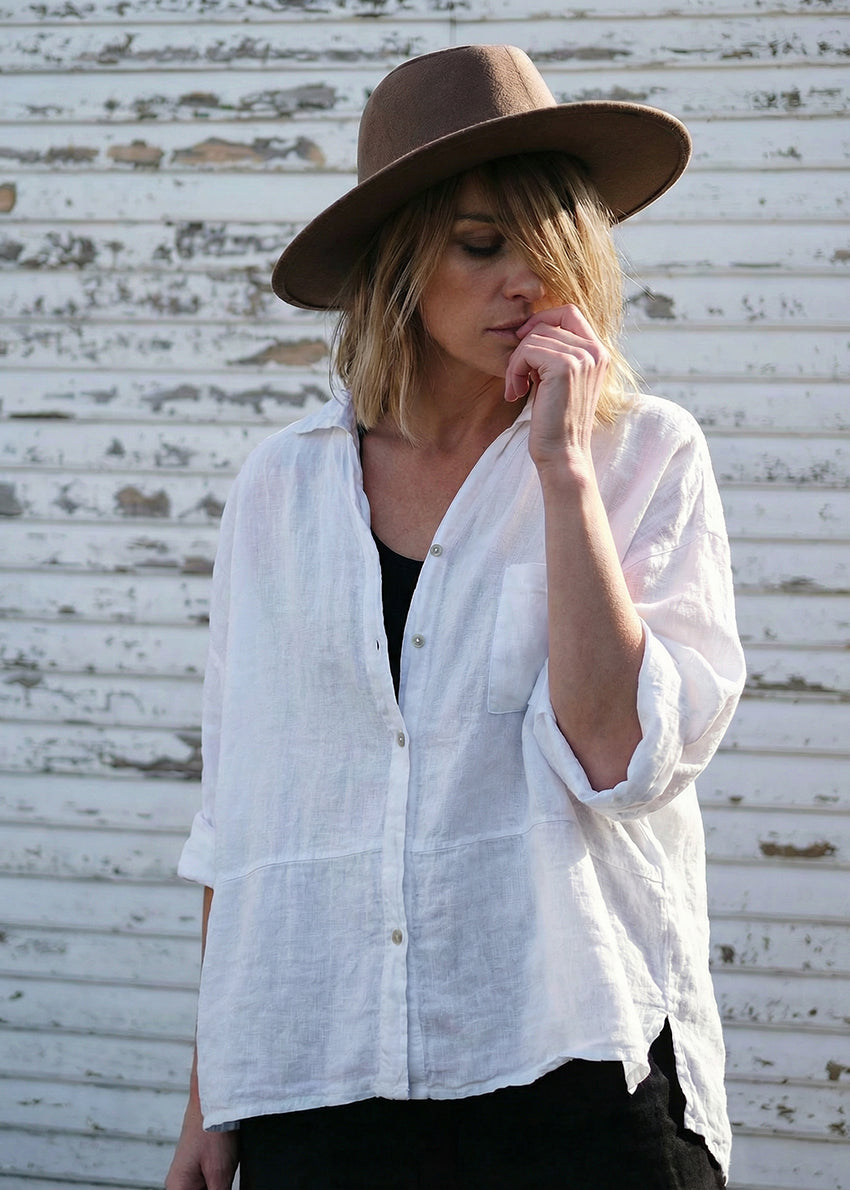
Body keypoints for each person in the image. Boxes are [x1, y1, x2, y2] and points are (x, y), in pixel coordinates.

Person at [166, 44, 745, 1190]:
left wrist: (563, 473)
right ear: (399, 259)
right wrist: (210, 1094)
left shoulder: (643, 456)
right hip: (323, 1085)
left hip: (575, 1075)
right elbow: (246, 817)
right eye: (481, 245)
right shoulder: (280, 491)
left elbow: (618, 754)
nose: (526, 280)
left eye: (552, 244)